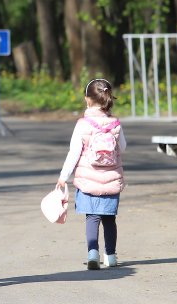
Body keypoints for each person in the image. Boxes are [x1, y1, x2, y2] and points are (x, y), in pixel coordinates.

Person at [56, 78, 127, 270]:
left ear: (87, 100)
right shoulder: (115, 124)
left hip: (88, 181)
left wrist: (64, 177)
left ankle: (93, 253)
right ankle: (111, 256)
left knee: (92, 218)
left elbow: (74, 153)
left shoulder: (82, 125)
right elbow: (123, 147)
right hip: (112, 180)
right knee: (109, 219)